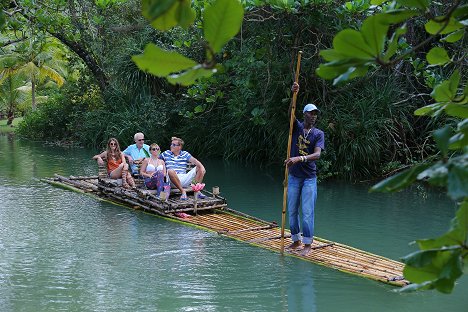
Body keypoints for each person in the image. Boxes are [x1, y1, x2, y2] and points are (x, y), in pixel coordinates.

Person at [284, 82, 325, 256]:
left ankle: (308, 245)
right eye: (311, 113)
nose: (313, 116)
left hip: (309, 178)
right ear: (304, 114)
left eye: (315, 114)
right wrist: (294, 93)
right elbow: (290, 113)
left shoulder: (318, 134)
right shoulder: (297, 128)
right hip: (294, 176)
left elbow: (317, 155)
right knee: (292, 210)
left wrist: (299, 158)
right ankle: (296, 240)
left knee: (307, 212)